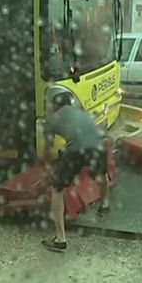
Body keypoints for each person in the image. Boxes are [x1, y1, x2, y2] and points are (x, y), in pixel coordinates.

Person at [41, 93, 111, 251]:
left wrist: (48, 169)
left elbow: (47, 151)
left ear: (55, 107)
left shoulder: (51, 120)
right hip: (98, 145)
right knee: (102, 175)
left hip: (75, 150)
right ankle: (105, 203)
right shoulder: (82, 113)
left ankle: (60, 238)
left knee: (57, 189)